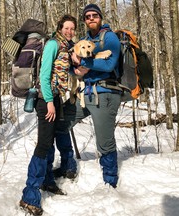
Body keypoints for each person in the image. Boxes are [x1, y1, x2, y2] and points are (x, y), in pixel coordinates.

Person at [19, 15, 77, 216]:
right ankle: (29, 196)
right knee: (43, 145)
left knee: (50, 141)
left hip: (56, 98)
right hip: (46, 100)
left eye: (72, 29)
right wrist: (50, 102)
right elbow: (44, 75)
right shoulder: (53, 44)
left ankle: (47, 181)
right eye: (66, 28)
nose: (69, 31)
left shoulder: (66, 47)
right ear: (60, 28)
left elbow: (64, 72)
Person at [67, 4, 121, 188]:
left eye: (94, 15)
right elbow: (76, 72)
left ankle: (110, 181)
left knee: (104, 142)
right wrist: (75, 70)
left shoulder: (110, 38)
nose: (91, 18)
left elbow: (109, 65)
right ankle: (68, 166)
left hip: (105, 94)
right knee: (61, 123)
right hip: (85, 94)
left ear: (100, 17)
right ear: (84, 20)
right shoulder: (82, 41)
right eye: (87, 16)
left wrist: (83, 62)